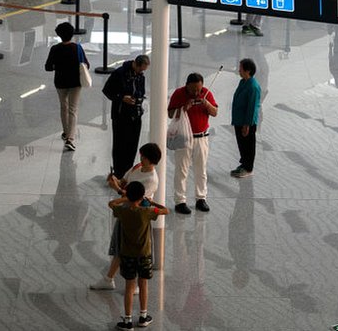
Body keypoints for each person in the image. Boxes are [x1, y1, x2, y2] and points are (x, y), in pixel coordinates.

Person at [90, 143, 162, 291]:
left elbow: (135, 198)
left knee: (131, 249)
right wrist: (115, 180)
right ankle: (110, 279)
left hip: (137, 219)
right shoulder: (137, 167)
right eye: (141, 155)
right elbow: (124, 183)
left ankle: (121, 281)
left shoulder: (151, 179)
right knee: (121, 247)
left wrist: (116, 189)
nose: (141, 158)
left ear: (151, 160)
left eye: (144, 157)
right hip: (126, 213)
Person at [108, 181, 169, 330]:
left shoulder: (122, 211)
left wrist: (124, 198)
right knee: (143, 284)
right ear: (141, 196)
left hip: (127, 254)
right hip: (144, 255)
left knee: (129, 286)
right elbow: (166, 210)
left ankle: (128, 321)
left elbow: (111, 203)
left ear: (128, 195)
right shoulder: (147, 211)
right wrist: (152, 202)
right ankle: (143, 316)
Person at [168, 72, 218, 214]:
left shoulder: (206, 93)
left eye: (199, 89)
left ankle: (201, 198)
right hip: (183, 136)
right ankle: (180, 201)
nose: (196, 93)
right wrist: (184, 107)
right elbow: (170, 114)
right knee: (181, 169)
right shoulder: (179, 93)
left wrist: (207, 104)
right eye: (193, 90)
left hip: (201, 137)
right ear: (187, 86)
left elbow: (215, 112)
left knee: (200, 169)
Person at [102, 55, 149, 179]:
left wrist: (139, 98)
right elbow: (107, 90)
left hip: (136, 114)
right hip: (121, 115)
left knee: (132, 145)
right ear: (135, 64)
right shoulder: (119, 73)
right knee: (120, 144)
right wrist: (122, 98)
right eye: (140, 69)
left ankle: (128, 172)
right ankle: (118, 173)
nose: (141, 72)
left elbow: (141, 91)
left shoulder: (140, 76)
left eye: (143, 70)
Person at [44, 22, 88, 151]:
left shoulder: (55, 49)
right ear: (72, 34)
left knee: (64, 106)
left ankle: (65, 132)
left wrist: (58, 66)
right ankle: (70, 138)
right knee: (73, 109)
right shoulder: (77, 48)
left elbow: (48, 67)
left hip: (60, 82)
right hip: (75, 82)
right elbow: (86, 64)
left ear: (59, 35)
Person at [230, 58, 261, 179]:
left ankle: (248, 168)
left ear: (248, 70)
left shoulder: (253, 87)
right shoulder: (243, 82)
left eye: (241, 68)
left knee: (248, 145)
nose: (239, 70)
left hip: (246, 122)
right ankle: (243, 164)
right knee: (242, 144)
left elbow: (252, 107)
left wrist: (247, 125)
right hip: (239, 119)